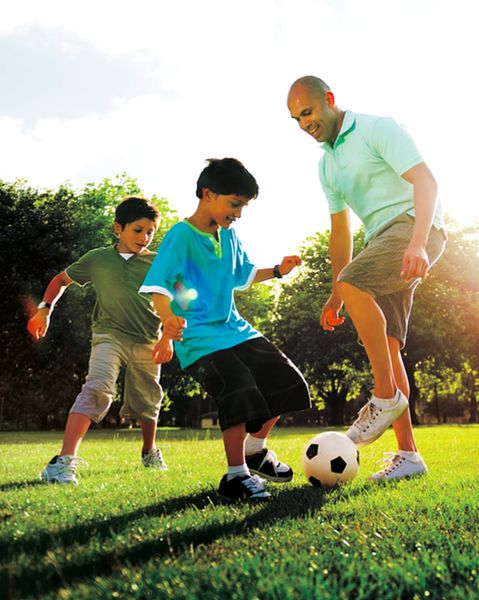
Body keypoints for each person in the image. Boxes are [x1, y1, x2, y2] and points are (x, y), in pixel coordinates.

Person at [287, 76, 447, 480]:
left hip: (412, 227)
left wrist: (418, 242)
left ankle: (384, 396)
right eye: (296, 119)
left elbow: (426, 181)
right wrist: (334, 294)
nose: (304, 124)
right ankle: (409, 457)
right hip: (381, 240)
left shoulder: (378, 128)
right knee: (389, 345)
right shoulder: (327, 165)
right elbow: (340, 232)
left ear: (329, 100)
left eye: (307, 112)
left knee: (355, 283)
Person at [139, 158, 311, 501]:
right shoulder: (180, 236)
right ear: (207, 194)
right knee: (239, 387)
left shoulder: (229, 235)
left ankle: (255, 450)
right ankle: (236, 476)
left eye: (243, 206)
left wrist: (278, 270)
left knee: (288, 381)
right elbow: (158, 284)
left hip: (235, 329)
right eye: (235, 204)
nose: (239, 213)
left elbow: (242, 275)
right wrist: (167, 318)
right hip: (199, 338)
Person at [27, 196, 168, 484]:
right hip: (109, 335)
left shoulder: (158, 263)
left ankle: (149, 451)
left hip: (148, 340)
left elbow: (175, 302)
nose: (145, 238)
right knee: (97, 388)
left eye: (150, 231)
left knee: (147, 399)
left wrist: (168, 337)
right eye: (137, 230)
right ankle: (64, 461)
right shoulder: (97, 259)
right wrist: (45, 310)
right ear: (118, 228)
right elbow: (60, 280)